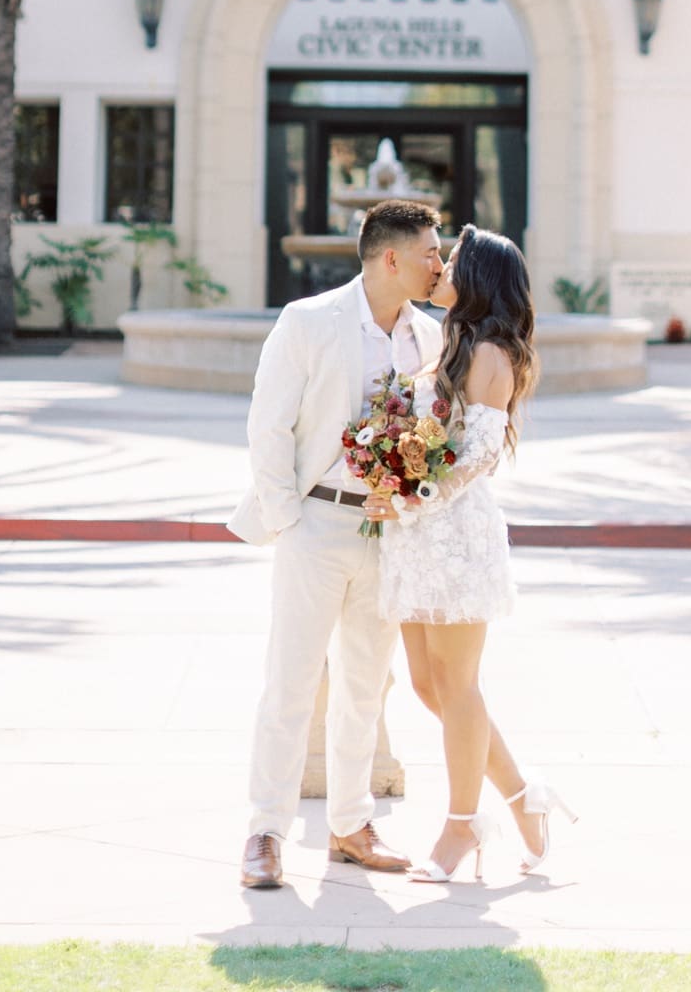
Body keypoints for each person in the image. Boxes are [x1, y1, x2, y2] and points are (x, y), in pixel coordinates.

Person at [232, 197, 445, 891]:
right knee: (291, 682)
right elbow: (268, 424)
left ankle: (351, 827)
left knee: (365, 688)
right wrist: (288, 518)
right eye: (430, 253)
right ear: (392, 258)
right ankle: (266, 831)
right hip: (314, 525)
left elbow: (433, 439)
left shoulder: (430, 338)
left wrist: (407, 499)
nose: (439, 265)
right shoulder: (308, 320)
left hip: (387, 535)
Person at [367, 222, 577, 882]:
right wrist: (387, 471)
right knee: (429, 686)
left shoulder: (491, 352)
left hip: (456, 537)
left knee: (457, 687)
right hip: (414, 537)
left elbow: (480, 454)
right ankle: (523, 794)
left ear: (480, 277)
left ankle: (462, 824)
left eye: (453, 260)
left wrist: (411, 496)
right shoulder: (449, 341)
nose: (441, 269)